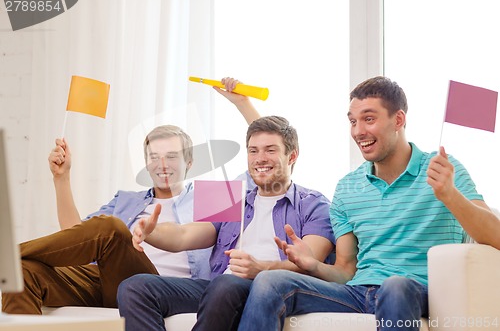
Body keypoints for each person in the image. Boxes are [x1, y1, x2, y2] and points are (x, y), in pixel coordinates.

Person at [236, 76, 500, 331]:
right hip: (358, 293)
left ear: (398, 119)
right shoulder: (348, 187)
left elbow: (495, 236)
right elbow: (346, 271)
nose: (358, 131)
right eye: (353, 121)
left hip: (415, 290)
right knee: (270, 281)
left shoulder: (443, 169)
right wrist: (313, 265)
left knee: (395, 286)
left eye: (369, 119)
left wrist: (450, 195)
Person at [1, 78, 259, 315]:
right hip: (105, 281)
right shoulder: (128, 200)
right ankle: (11, 263)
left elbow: (260, 164)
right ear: (145, 164)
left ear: (189, 161)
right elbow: (73, 237)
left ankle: (8, 256)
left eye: (171, 156)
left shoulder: (211, 196)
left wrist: (243, 104)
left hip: (161, 289)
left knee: (110, 228)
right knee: (22, 274)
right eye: (154, 157)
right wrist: (61, 178)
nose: (162, 164)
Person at [117, 115, 335, 331]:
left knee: (225, 285)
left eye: (270, 150)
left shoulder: (314, 204)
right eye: (253, 151)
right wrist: (151, 232)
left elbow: (310, 265)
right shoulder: (232, 197)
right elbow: (184, 235)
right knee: (134, 287)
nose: (260, 158)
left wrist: (260, 269)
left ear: (292, 156)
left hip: (267, 290)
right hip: (218, 288)